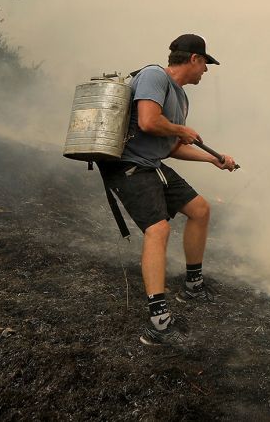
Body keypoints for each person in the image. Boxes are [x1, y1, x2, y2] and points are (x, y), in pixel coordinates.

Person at [98, 34, 238, 346]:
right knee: (158, 230)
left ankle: (193, 285)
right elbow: (148, 122)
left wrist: (212, 159)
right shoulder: (153, 75)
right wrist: (179, 129)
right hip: (129, 165)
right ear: (194, 59)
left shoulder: (181, 98)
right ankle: (158, 324)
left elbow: (172, 146)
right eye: (206, 65)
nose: (206, 71)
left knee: (200, 209)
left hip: (153, 163)